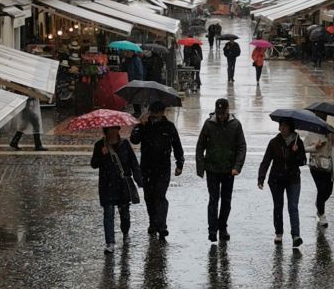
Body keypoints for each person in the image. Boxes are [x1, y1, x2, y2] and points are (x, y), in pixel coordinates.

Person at [195, 96, 247, 242]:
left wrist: (237, 167)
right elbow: (200, 146)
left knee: (226, 201)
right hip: (212, 169)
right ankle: (212, 230)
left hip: (229, 170)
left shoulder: (235, 125)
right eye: (219, 113)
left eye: (223, 113)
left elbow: (241, 147)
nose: (221, 116)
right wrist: (201, 167)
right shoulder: (209, 124)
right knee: (213, 199)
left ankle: (222, 228)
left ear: (227, 110)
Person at [131, 107, 184, 239]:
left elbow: (177, 145)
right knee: (149, 197)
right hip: (147, 168)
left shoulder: (169, 126)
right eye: (153, 112)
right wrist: (138, 126)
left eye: (157, 112)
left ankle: (162, 225)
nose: (155, 115)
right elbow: (134, 139)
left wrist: (179, 163)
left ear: (162, 112)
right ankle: (152, 222)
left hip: (163, 168)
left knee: (160, 196)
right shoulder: (144, 125)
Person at [90, 125, 141, 251]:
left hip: (122, 184)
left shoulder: (125, 144)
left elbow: (133, 163)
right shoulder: (100, 145)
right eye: (110, 129)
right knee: (108, 213)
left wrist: (139, 180)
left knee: (124, 213)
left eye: (115, 129)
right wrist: (102, 155)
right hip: (106, 184)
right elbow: (94, 164)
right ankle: (110, 242)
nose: (113, 131)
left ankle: (125, 233)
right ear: (106, 130)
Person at [258, 117, 307, 246]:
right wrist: (261, 178)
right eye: (281, 126)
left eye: (285, 126)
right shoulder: (274, 142)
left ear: (290, 128)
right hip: (276, 179)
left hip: (293, 179)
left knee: (293, 206)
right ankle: (279, 233)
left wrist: (296, 152)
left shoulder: (298, 142)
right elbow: (266, 161)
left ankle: (296, 235)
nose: (282, 128)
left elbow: (303, 161)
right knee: (278, 206)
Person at [306, 121, 334, 231]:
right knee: (321, 189)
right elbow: (304, 148)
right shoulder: (311, 133)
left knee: (328, 191)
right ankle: (322, 215)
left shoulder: (330, 130)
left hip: (328, 166)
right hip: (315, 167)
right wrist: (315, 147)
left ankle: (319, 203)